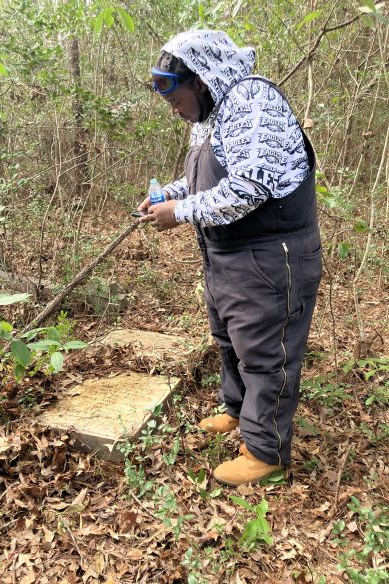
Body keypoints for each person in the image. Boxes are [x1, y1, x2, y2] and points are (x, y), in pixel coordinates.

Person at [138, 30, 322, 486]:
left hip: (270, 254)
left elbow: (250, 187)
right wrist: (168, 196)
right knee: (231, 342)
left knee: (264, 352)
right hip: (227, 255)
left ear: (200, 80)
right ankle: (240, 414)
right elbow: (206, 180)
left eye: (175, 96)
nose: (173, 109)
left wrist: (178, 212)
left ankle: (266, 452)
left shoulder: (251, 102)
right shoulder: (214, 114)